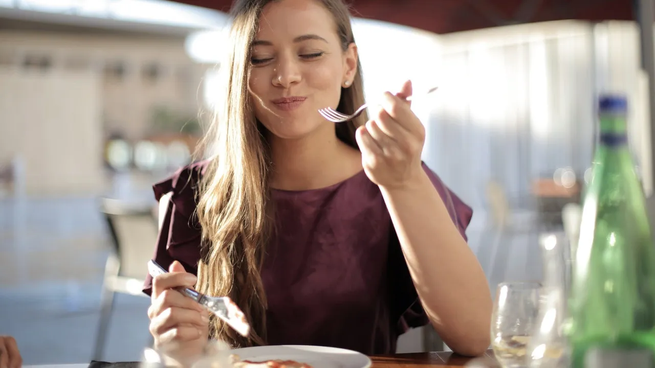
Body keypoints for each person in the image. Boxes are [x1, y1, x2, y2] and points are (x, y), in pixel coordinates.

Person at [144, 0, 492, 360]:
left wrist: (404, 184)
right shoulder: (193, 193)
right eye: (260, 59)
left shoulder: (396, 180)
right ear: (238, 75)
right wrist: (177, 346)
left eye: (310, 53)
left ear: (348, 65)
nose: (286, 75)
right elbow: (186, 351)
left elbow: (475, 335)